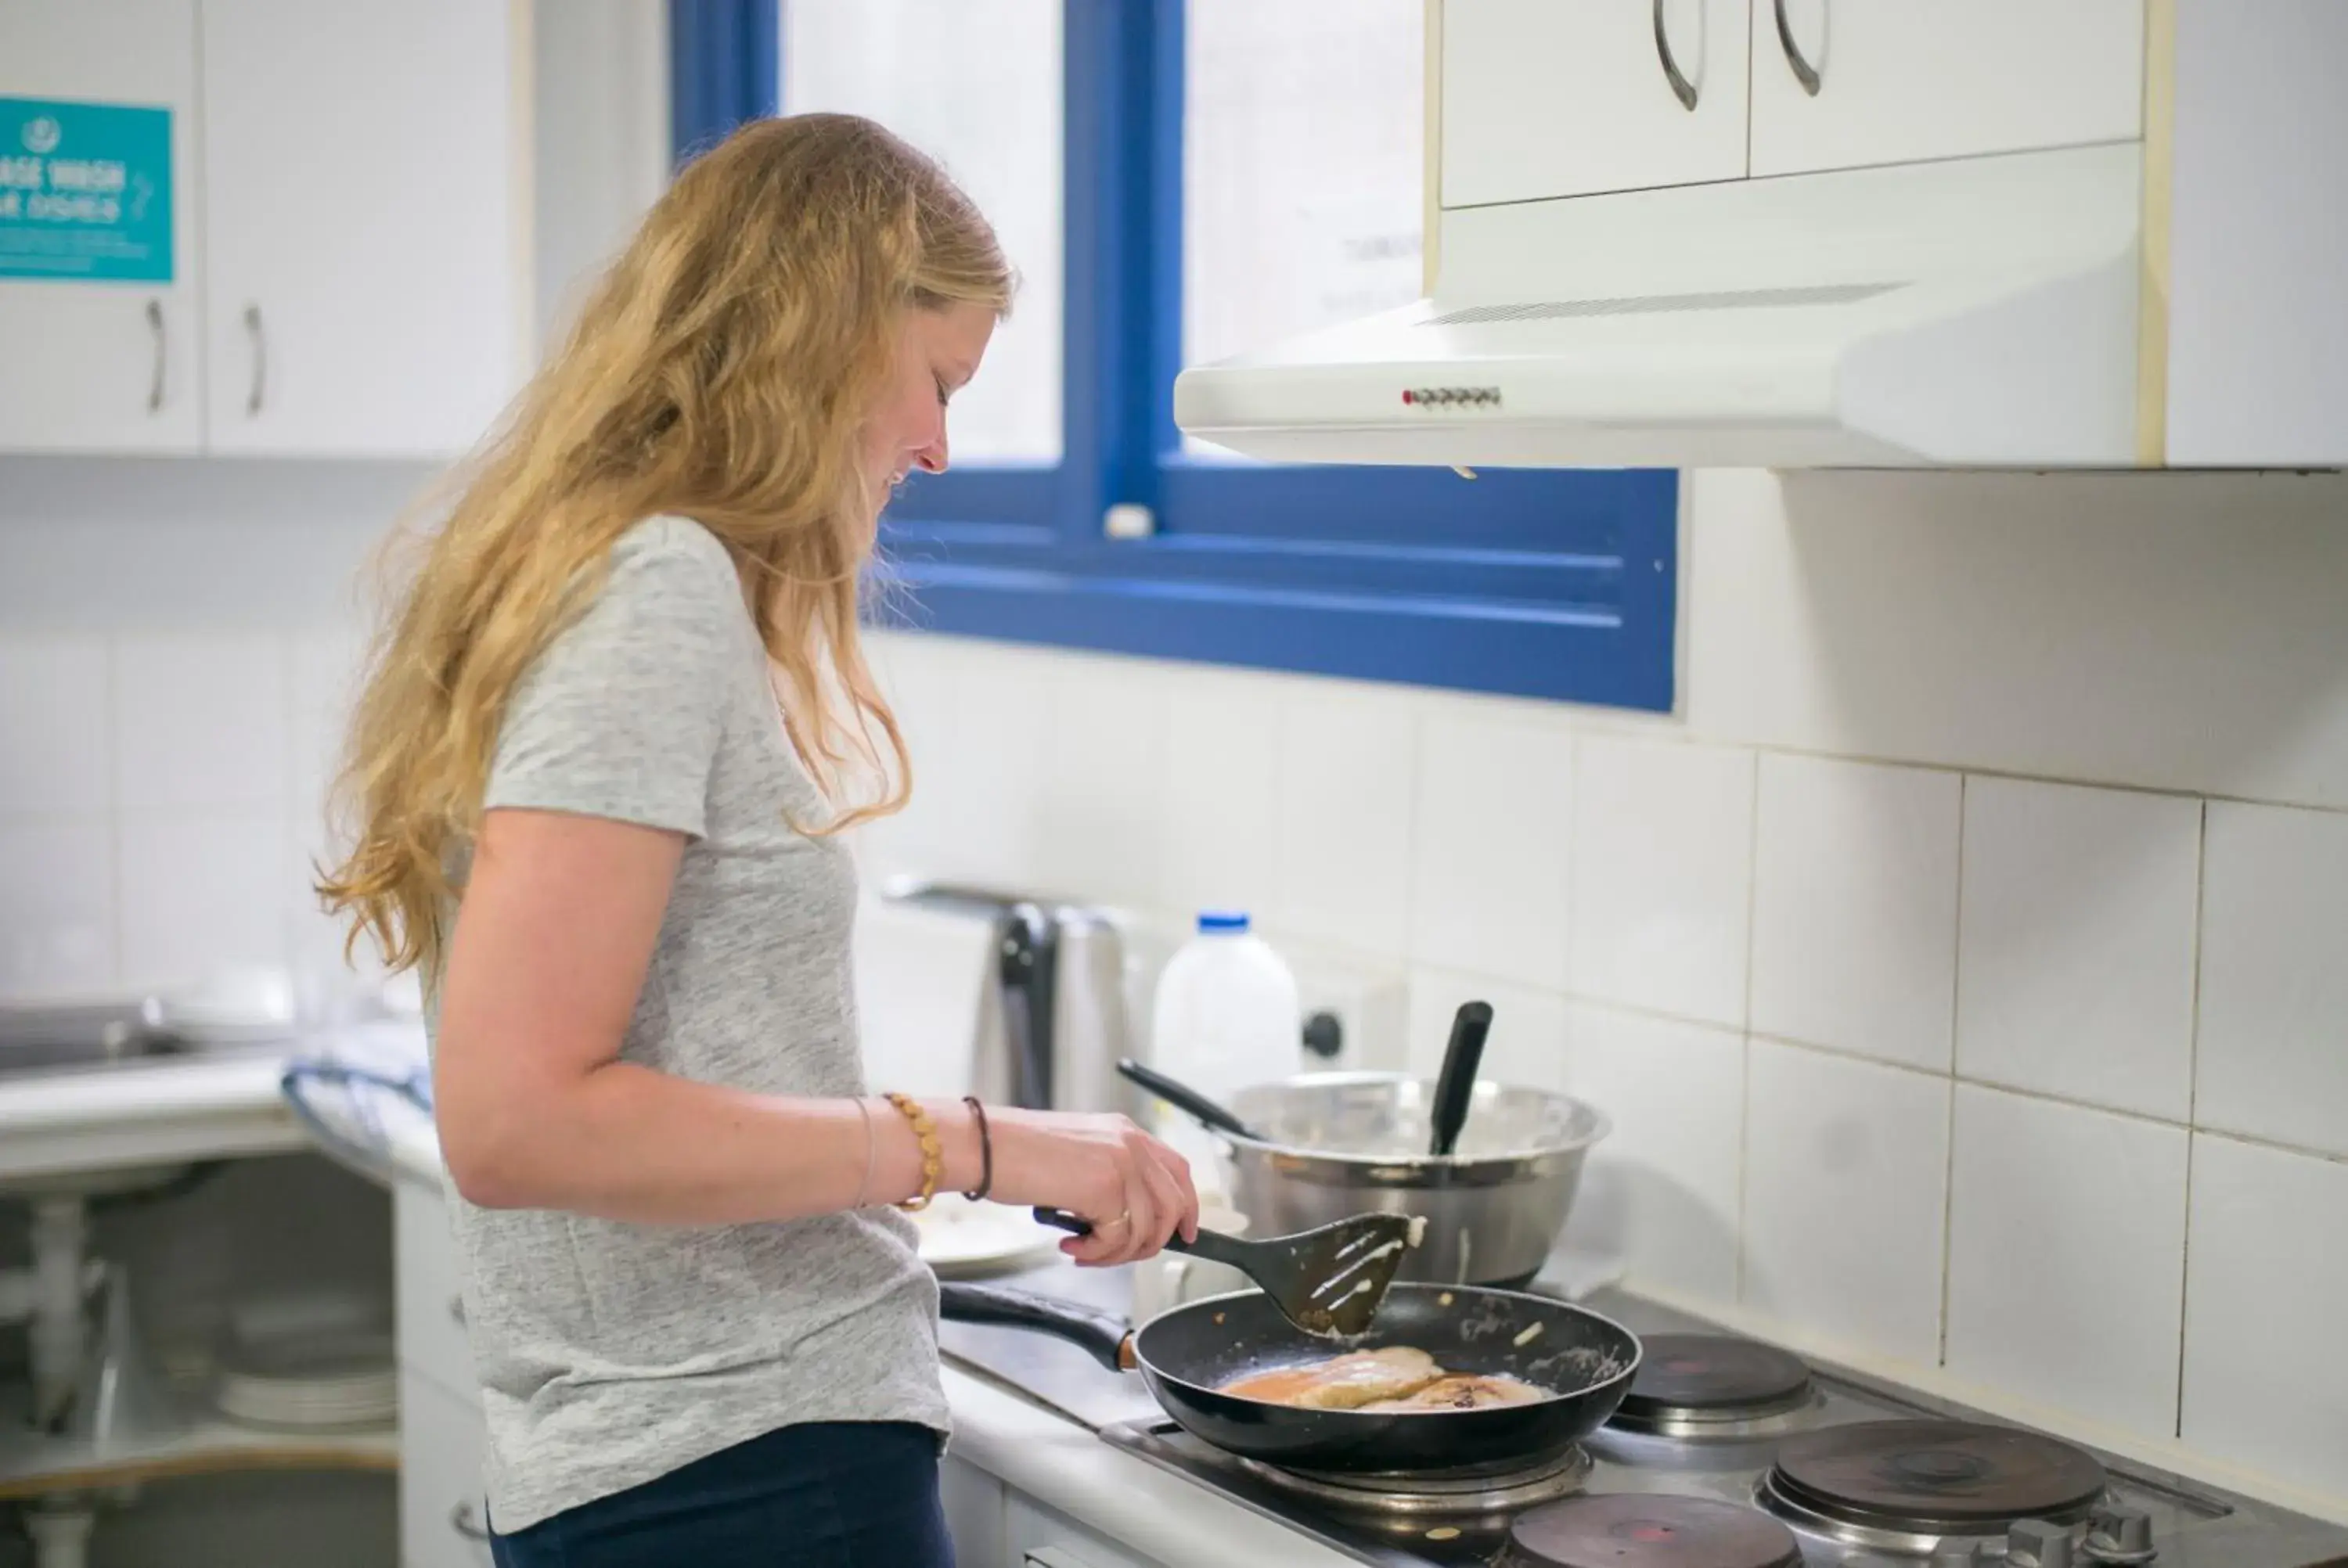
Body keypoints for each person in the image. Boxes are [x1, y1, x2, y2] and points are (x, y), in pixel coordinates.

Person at [318, 113, 1199, 1568]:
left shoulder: (598, 563)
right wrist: (982, 1142)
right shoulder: (654, 586)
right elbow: (518, 1118)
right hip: (739, 1469)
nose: (936, 443)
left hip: (684, 1461)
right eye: (933, 381)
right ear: (821, 332)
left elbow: (647, 1067)